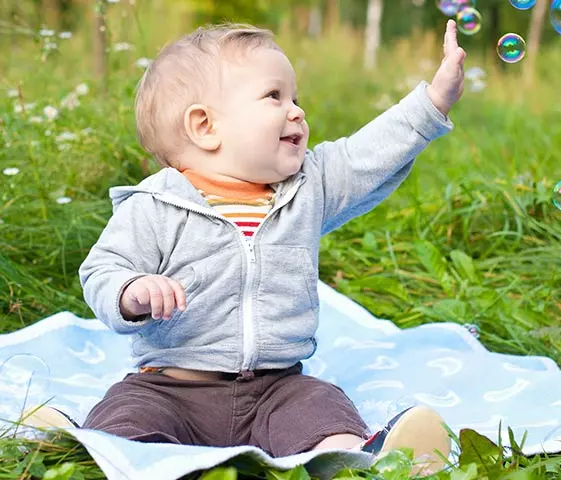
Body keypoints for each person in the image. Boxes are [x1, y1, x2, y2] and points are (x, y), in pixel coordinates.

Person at [22, 19, 466, 475]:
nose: (296, 112)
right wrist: (132, 292)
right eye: (275, 97)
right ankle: (90, 444)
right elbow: (103, 269)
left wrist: (432, 103)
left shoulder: (308, 188)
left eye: (296, 99)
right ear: (205, 126)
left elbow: (365, 156)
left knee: (322, 407)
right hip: (172, 386)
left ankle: (369, 457)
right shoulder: (154, 206)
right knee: (129, 413)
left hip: (277, 388)